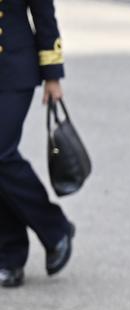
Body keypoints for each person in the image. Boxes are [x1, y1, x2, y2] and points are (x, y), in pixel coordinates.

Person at [0, 0, 75, 288]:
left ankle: (55, 227)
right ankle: (11, 256)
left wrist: (52, 75)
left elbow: (44, 14)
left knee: (2, 154)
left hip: (14, 68)